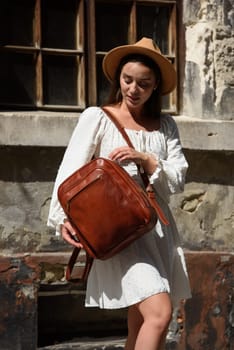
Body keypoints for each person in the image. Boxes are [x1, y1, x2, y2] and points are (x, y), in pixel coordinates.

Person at [47, 37, 191, 350]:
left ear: (155, 87)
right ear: (118, 79)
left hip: (155, 229)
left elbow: (178, 178)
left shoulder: (165, 126)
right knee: (159, 313)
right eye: (127, 80)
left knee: (140, 322)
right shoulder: (97, 117)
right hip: (114, 231)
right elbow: (70, 171)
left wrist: (146, 159)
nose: (133, 89)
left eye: (143, 83)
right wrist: (62, 218)